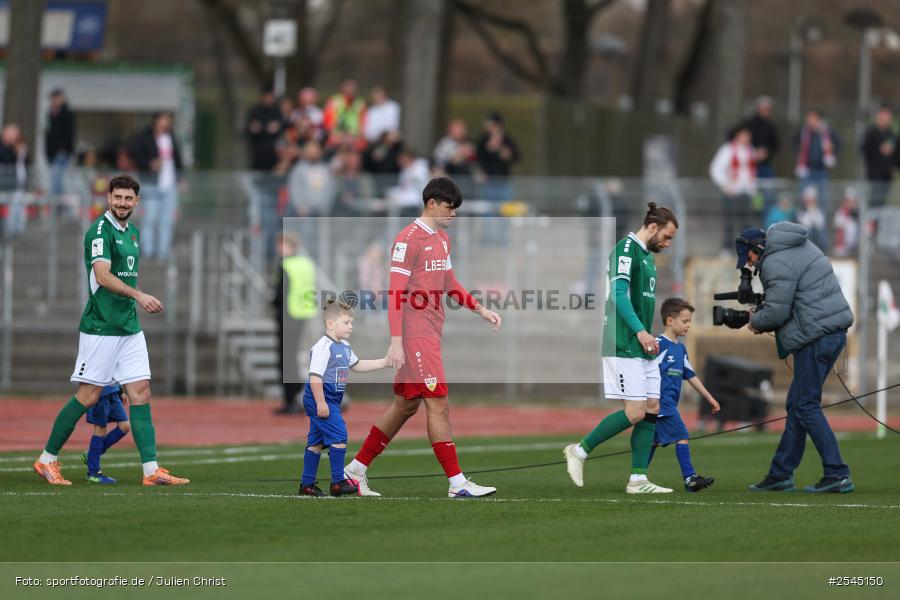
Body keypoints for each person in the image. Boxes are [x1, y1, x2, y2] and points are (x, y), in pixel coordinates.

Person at [343, 177, 502, 498]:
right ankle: (457, 484)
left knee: (404, 406)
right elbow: (395, 293)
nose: (453, 214)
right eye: (449, 207)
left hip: (430, 332)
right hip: (415, 335)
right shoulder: (407, 240)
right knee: (438, 404)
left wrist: (479, 308)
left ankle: (354, 471)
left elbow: (450, 282)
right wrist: (396, 340)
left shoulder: (442, 239)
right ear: (431, 203)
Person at [33, 174, 189, 486]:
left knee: (141, 393)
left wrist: (134, 303)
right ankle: (46, 459)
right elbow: (102, 276)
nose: (122, 203)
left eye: (128, 198)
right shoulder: (99, 231)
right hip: (101, 327)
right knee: (88, 395)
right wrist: (139, 295)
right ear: (108, 198)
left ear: (136, 201)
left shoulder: (132, 232)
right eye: (117, 197)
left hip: (128, 328)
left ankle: (151, 471)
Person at [563, 203, 678, 494]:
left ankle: (638, 479)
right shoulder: (625, 249)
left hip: (642, 342)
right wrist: (640, 332)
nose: (667, 243)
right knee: (636, 412)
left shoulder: (647, 256)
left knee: (653, 407)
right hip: (623, 341)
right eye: (666, 236)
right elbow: (617, 294)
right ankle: (580, 450)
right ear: (653, 228)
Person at [738, 225, 855, 493]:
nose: (749, 263)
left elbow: (778, 313)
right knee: (798, 404)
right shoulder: (796, 246)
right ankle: (781, 473)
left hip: (816, 338)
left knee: (805, 405)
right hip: (831, 334)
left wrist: (755, 321)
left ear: (757, 249)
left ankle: (837, 473)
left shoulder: (775, 261)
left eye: (749, 257)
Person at [299, 299, 390, 497]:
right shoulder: (323, 347)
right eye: (346, 322)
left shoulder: (345, 346)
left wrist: (383, 362)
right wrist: (321, 402)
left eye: (351, 322)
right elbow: (315, 377)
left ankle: (307, 485)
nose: (351, 326)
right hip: (320, 399)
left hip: (330, 400)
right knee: (339, 435)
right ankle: (338, 482)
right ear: (331, 324)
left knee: (316, 442)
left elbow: (357, 365)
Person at [647, 298, 720, 492]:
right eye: (685, 321)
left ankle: (637, 476)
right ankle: (690, 478)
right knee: (682, 434)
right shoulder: (657, 344)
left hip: (669, 403)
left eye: (690, 321)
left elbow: (690, 375)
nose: (688, 325)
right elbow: (643, 371)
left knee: (651, 441)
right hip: (660, 403)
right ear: (670, 321)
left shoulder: (680, 348)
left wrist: (709, 398)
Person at [128, 112, 183, 261]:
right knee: (149, 218)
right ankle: (147, 249)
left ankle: (163, 251)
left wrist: (181, 178)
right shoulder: (145, 137)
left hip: (170, 185)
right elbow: (134, 154)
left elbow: (178, 159)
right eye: (163, 120)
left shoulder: (171, 138)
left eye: (168, 121)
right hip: (151, 183)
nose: (165, 124)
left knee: (168, 220)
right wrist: (148, 164)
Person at [272, 232, 317, 415]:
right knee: (293, 359)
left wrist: (273, 303)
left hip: (288, 313)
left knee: (286, 360)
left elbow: (280, 292)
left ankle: (291, 399)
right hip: (303, 314)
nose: (278, 248)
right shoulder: (306, 264)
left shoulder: (286, 265)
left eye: (281, 245)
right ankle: (298, 396)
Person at [710, 126, 757, 251]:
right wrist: (724, 184)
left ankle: (746, 248)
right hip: (732, 192)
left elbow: (751, 171)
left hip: (746, 191)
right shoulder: (727, 149)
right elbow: (715, 169)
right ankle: (727, 247)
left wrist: (752, 188)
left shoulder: (751, 150)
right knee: (729, 222)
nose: (746, 138)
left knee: (746, 222)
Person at [80, 382, 131, 484]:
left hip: (113, 391)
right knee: (100, 429)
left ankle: (91, 455)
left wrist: (120, 391)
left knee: (125, 426)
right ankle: (93, 473)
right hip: (99, 392)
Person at [794, 109, 840, 214]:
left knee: (822, 200)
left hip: (822, 170)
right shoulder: (803, 132)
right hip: (806, 169)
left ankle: (820, 226)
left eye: (813, 118)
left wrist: (833, 154)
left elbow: (838, 144)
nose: (810, 121)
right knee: (803, 198)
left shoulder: (828, 132)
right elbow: (794, 144)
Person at [861, 105, 896, 209]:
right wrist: (879, 150)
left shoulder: (891, 133)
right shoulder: (871, 133)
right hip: (875, 173)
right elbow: (865, 150)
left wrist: (894, 166)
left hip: (887, 174)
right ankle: (872, 223)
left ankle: (879, 223)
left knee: (883, 202)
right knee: (874, 201)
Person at [45, 88, 76, 204]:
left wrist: (65, 149)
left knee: (58, 181)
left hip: (62, 153)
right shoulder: (50, 114)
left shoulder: (67, 113)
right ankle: (58, 205)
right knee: (56, 181)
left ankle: (60, 206)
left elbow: (69, 134)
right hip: (53, 154)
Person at [797, 185, 827, 251]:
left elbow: (819, 225)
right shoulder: (801, 211)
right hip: (806, 234)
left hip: (817, 235)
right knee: (809, 232)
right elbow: (805, 224)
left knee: (820, 235)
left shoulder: (819, 210)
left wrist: (813, 211)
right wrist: (810, 211)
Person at [832, 187, 860, 257]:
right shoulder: (840, 212)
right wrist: (847, 214)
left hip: (857, 244)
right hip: (844, 245)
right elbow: (837, 225)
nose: (851, 204)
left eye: (853, 201)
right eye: (848, 201)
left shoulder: (859, 214)